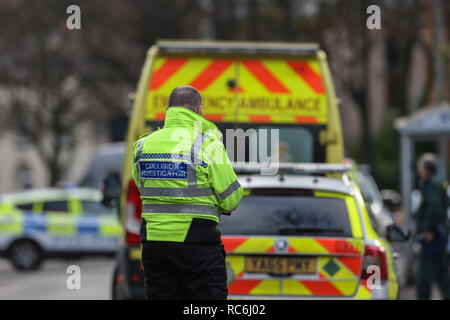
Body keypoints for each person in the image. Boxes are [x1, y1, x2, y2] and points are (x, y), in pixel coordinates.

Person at [132, 85, 243, 300]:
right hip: (197, 243)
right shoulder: (207, 145)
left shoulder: (142, 146)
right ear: (199, 110)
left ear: (168, 110)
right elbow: (231, 199)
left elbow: (143, 187)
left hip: (154, 243)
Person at [415, 153, 450, 300]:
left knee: (424, 276)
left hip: (433, 236)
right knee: (441, 273)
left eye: (420, 167)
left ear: (426, 168)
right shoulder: (438, 182)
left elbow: (434, 207)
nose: (419, 170)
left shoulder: (432, 183)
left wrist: (429, 230)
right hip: (439, 234)